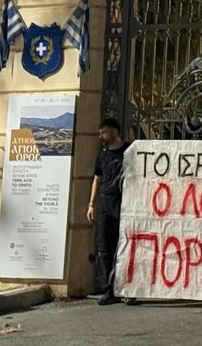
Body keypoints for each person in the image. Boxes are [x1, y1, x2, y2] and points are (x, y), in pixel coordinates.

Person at [87, 118, 130, 305]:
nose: (101, 137)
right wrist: (91, 204)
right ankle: (109, 289)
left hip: (126, 203)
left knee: (126, 247)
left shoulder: (130, 151)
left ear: (115, 131)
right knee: (105, 248)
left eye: (104, 132)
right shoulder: (102, 156)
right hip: (105, 204)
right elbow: (97, 178)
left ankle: (128, 288)